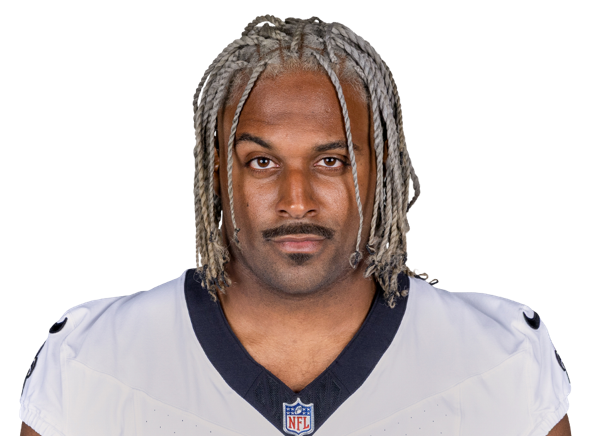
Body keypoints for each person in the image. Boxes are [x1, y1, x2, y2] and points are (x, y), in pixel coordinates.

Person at [19, 15, 571, 436]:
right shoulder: (92, 361)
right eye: (262, 161)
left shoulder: (501, 359)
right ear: (217, 173)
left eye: (331, 160)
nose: (296, 200)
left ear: (382, 170)